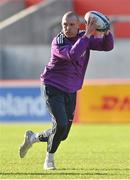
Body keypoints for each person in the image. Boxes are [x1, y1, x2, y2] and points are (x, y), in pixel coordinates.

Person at [19, 11, 114, 170]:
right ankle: (49, 160)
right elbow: (73, 54)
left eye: (71, 25)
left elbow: (107, 46)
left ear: (78, 26)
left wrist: (106, 30)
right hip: (52, 86)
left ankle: (33, 138)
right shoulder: (59, 41)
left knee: (62, 134)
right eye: (65, 24)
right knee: (60, 124)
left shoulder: (84, 37)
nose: (67, 28)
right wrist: (88, 35)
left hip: (71, 89)